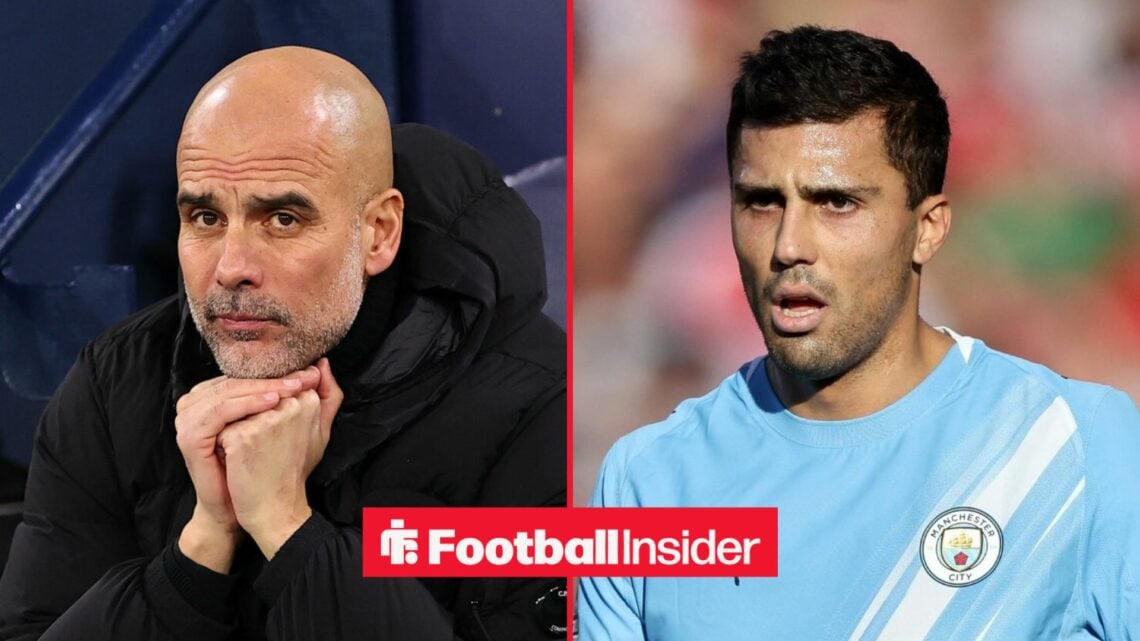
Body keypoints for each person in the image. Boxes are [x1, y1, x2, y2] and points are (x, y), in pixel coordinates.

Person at [577, 26, 1140, 640]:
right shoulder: (649, 479)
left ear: (927, 227)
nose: (790, 246)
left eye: (837, 203)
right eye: (762, 201)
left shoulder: (1080, 445)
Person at [0, 47, 566, 640]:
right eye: (205, 217)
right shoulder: (115, 382)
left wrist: (288, 528)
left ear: (379, 233)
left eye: (283, 219)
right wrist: (201, 547)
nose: (231, 267)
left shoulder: (549, 418)